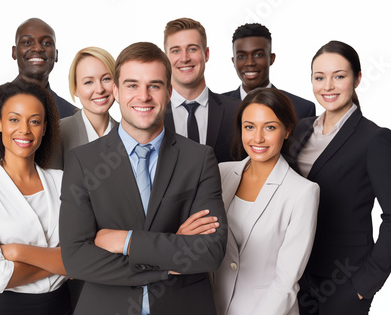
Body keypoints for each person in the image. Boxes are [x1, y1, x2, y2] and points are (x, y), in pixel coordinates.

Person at [59, 41, 227, 315]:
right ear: (116, 90)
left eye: (155, 85)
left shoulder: (198, 159)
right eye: (132, 85)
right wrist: (166, 261)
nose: (143, 96)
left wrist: (125, 241)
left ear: (169, 91)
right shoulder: (82, 161)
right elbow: (76, 259)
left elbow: (210, 251)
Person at [292, 40, 391, 315]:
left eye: (339, 76)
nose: (328, 86)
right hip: (295, 276)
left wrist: (364, 285)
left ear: (357, 79)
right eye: (319, 77)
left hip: (342, 282)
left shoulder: (374, 139)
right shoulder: (300, 131)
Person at [0, 80, 71, 314]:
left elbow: (84, 254)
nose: (24, 129)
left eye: (34, 121)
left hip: (62, 305)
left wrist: (19, 252)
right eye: (14, 119)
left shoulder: (62, 181)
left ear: (44, 128)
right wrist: (64, 264)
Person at [211, 88, 319, 315]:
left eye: (270, 127)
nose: (257, 138)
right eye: (249, 127)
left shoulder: (302, 193)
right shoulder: (221, 174)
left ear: (287, 130)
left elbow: (286, 282)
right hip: (213, 305)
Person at [163, 17, 240, 163]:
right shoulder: (151, 114)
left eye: (192, 49)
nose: (184, 58)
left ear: (206, 54)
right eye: (176, 51)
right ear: (165, 58)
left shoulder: (236, 111)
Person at [0, 17, 77, 118]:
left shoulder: (71, 114)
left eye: (47, 43)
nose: (38, 48)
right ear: (14, 52)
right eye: (27, 42)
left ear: (56, 55)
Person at [224, 23, 315, 120]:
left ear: (271, 58)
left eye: (258, 55)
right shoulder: (216, 107)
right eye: (241, 56)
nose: (250, 63)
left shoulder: (302, 109)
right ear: (234, 61)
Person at [54, 46, 118, 169]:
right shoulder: (58, 133)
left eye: (106, 79)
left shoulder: (128, 135)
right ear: (75, 89)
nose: (99, 89)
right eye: (88, 82)